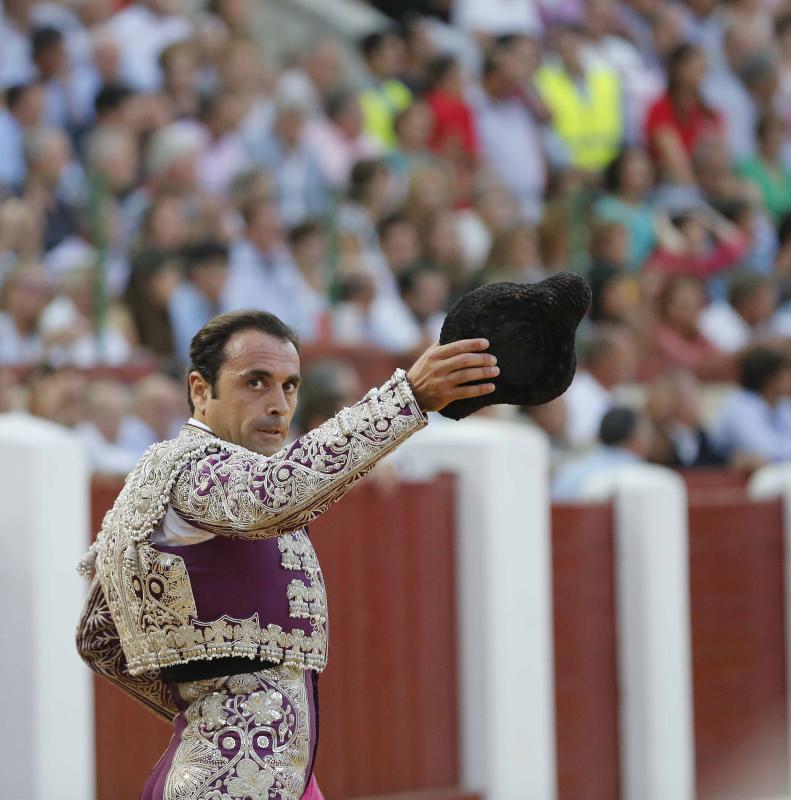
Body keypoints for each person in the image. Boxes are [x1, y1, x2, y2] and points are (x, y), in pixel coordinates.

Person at [76, 309, 499, 800]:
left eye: (289, 386)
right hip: (231, 776)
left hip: (254, 766)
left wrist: (224, 712)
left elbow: (99, 636)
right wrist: (407, 399)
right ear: (200, 390)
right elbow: (274, 494)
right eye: (255, 382)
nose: (278, 404)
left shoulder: (181, 477)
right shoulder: (191, 469)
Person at [552, 406, 653, 500]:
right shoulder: (645, 478)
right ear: (635, 437)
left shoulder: (567, 473)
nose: (650, 440)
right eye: (646, 433)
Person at [713, 346, 791, 465]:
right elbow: (765, 452)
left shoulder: (782, 404)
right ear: (770, 379)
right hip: (727, 479)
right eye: (786, 373)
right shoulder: (738, 408)